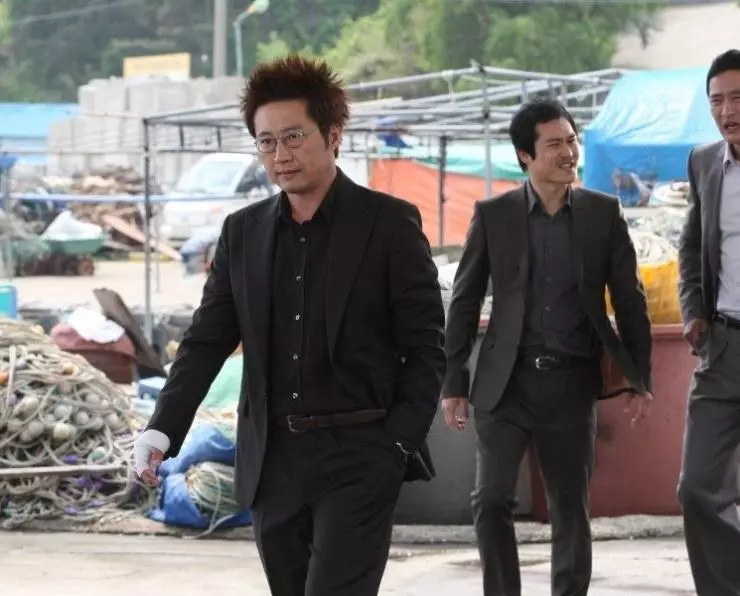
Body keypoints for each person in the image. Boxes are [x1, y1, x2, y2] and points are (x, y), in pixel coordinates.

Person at [132, 54, 446, 596]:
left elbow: (426, 346)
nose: (281, 155)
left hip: (361, 453)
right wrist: (161, 428)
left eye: (295, 137)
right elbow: (206, 341)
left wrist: (396, 445)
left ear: (333, 135)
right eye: (267, 142)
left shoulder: (388, 224)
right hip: (272, 460)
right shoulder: (242, 234)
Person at [441, 98, 653, 596]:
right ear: (525, 156)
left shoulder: (603, 213)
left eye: (571, 141)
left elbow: (630, 299)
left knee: (569, 509)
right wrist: (454, 381)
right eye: (554, 144)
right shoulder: (493, 216)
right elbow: (465, 301)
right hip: (506, 384)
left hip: (571, 383)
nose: (568, 153)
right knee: (491, 500)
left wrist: (639, 377)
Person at [677, 48, 740, 596]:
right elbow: (691, 245)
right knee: (698, 489)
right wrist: (693, 309)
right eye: (717, 100)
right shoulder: (703, 163)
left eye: (738, 98)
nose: (727, 111)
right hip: (723, 350)